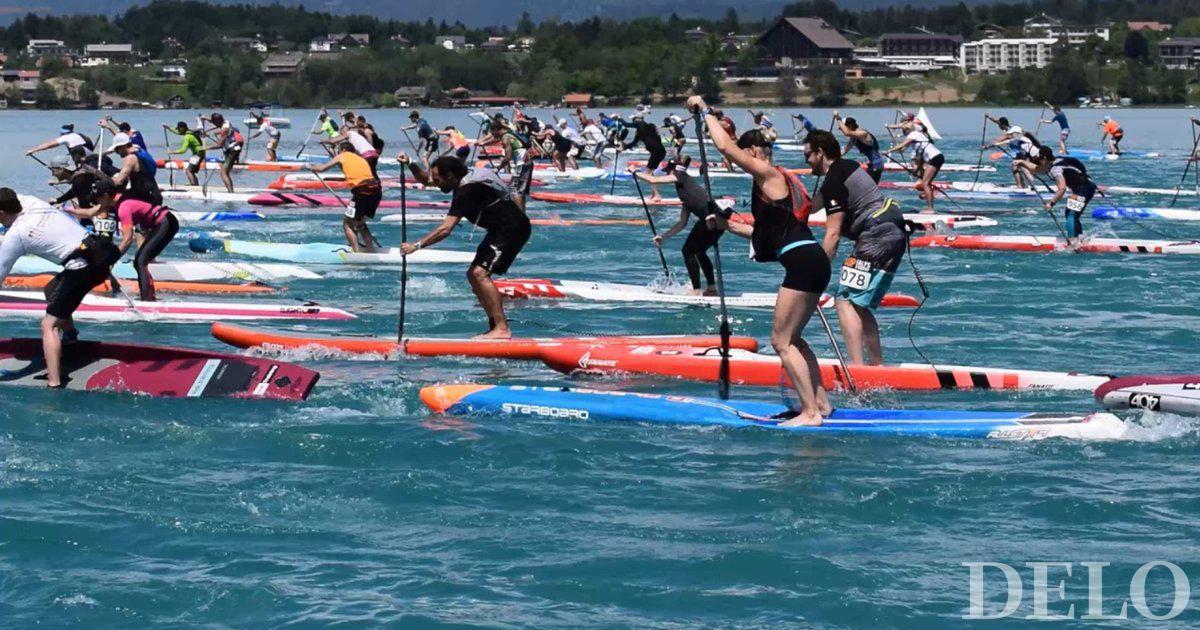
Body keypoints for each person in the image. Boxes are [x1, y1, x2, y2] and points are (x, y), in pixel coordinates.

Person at [689, 95, 830, 426]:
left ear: (752, 152)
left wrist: (705, 109)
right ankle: (821, 405)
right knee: (793, 339)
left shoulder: (766, 172)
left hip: (802, 262)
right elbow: (767, 233)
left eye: (744, 153)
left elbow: (724, 147)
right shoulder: (777, 181)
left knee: (780, 342)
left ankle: (809, 414)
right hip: (812, 259)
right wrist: (725, 225)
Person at [398, 155, 532, 340]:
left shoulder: (467, 190)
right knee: (473, 275)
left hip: (512, 228)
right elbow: (425, 180)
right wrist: (410, 163)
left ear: (450, 176)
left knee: (479, 274)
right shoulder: (461, 178)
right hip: (499, 229)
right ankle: (495, 325)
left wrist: (416, 245)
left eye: (438, 180)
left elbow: (445, 229)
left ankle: (502, 328)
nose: (435, 184)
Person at [0, 188, 119, 388]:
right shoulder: (31, 201)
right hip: (97, 254)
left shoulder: (17, 236)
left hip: (83, 269)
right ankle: (70, 337)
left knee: (48, 325)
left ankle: (54, 383)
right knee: (51, 289)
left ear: (2, 213)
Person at [806, 130, 906, 366]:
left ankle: (857, 367)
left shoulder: (834, 180)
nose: (806, 161)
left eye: (808, 155)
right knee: (858, 304)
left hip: (876, 236)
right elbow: (811, 206)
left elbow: (832, 235)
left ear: (819, 153)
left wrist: (814, 274)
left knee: (844, 300)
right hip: (894, 234)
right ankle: (876, 365)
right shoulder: (846, 167)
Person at [630, 156, 724, 296]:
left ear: (674, 169)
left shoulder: (680, 176)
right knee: (698, 251)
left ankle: (697, 290)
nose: (668, 174)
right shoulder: (685, 191)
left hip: (714, 219)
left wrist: (634, 172)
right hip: (714, 221)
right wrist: (663, 236)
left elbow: (653, 180)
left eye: (669, 171)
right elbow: (682, 223)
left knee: (688, 250)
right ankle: (711, 288)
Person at [76, 180, 179, 301]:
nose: (95, 201)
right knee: (141, 260)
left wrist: (112, 258)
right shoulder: (116, 201)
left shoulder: (123, 207)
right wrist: (65, 209)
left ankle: (147, 299)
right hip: (163, 222)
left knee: (140, 261)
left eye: (97, 198)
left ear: (106, 196)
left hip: (165, 223)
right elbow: (91, 212)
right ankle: (149, 295)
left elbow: (127, 239)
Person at [308, 143, 382, 253]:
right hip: (376, 190)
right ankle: (370, 250)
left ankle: (357, 254)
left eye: (338, 150)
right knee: (360, 222)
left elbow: (322, 168)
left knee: (347, 225)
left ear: (343, 150)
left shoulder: (342, 156)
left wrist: (310, 167)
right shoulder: (360, 158)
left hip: (362, 191)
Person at [1017, 152, 1098, 247]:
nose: (1038, 164)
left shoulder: (1056, 169)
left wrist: (1051, 203)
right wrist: (1022, 162)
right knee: (1071, 214)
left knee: (1071, 213)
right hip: (1087, 186)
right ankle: (1079, 238)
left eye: (1040, 161)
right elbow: (1037, 169)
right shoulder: (1056, 160)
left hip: (1084, 189)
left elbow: (1062, 188)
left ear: (1045, 159)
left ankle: (1073, 242)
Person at [883, 120, 943, 213]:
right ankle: (929, 200)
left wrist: (888, 151)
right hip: (937, 158)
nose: (904, 134)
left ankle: (930, 209)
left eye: (904, 131)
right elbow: (902, 150)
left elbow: (901, 145)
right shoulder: (914, 138)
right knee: (926, 182)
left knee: (925, 183)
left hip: (935, 157)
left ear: (908, 130)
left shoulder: (914, 133)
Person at [107, 132, 163, 207]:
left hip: (146, 198)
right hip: (153, 193)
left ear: (123, 146)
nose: (116, 152)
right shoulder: (139, 150)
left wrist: (104, 183)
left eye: (117, 149)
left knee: (117, 204)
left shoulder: (130, 158)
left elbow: (118, 181)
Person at [984, 116, 1039, 189]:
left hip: (1023, 151)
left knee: (1016, 167)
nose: (998, 126)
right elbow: (997, 121)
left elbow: (998, 141)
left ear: (1002, 124)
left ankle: (1021, 186)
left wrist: (987, 146)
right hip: (1028, 149)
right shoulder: (1013, 127)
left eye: (999, 125)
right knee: (1022, 167)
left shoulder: (1009, 133)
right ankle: (1026, 185)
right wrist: (989, 117)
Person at [623, 113, 667, 199]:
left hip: (657, 152)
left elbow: (626, 124)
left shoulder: (641, 124)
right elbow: (633, 143)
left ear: (637, 119)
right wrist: (624, 147)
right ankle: (654, 194)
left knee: (648, 175)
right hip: (660, 152)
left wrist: (619, 118)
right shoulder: (643, 130)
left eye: (633, 120)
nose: (633, 122)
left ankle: (657, 195)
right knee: (651, 174)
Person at [834, 112, 886, 183]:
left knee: (866, 188)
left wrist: (838, 118)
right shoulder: (854, 138)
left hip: (876, 165)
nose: (842, 131)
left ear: (850, 125)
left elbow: (847, 133)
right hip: (871, 165)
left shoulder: (863, 133)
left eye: (842, 128)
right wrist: (832, 157)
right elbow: (845, 150)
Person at [200, 113, 242, 193]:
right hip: (230, 149)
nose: (213, 124)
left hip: (232, 151)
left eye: (214, 122)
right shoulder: (225, 122)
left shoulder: (225, 128)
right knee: (225, 172)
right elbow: (212, 120)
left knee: (223, 173)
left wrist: (205, 148)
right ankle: (231, 191)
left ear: (218, 121)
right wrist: (204, 117)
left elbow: (219, 145)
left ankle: (231, 193)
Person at [28, 124, 95, 166]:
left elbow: (48, 145)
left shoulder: (65, 137)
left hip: (81, 156)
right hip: (91, 156)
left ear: (63, 133)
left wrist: (33, 150)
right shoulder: (79, 135)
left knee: (72, 154)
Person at [163, 122, 206, 186]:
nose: (178, 130)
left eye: (179, 129)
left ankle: (193, 185)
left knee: (188, 171)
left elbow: (183, 150)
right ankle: (195, 185)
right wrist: (168, 128)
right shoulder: (189, 132)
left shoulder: (187, 137)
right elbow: (177, 132)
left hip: (198, 154)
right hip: (200, 153)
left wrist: (171, 152)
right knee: (191, 171)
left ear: (182, 128)